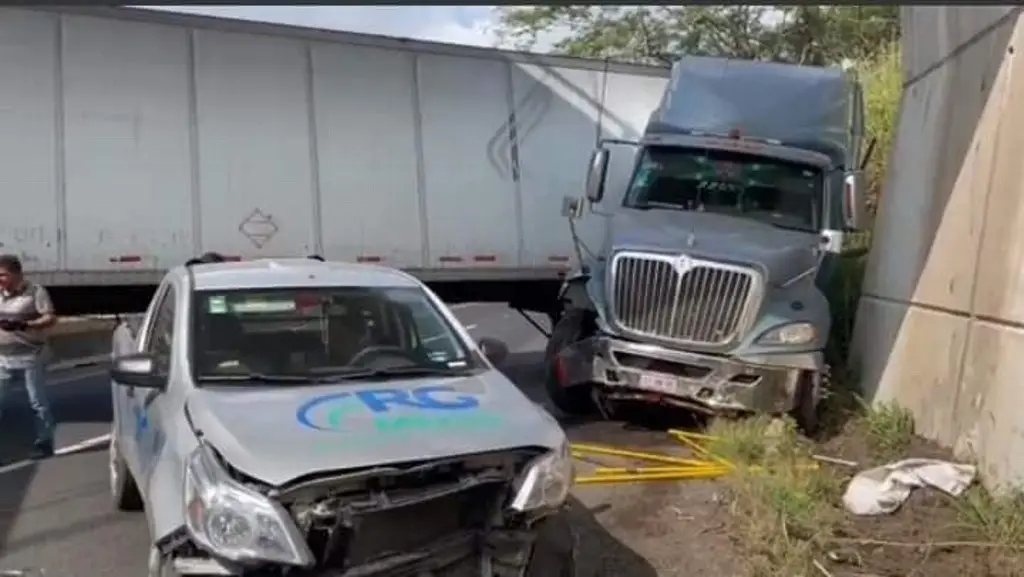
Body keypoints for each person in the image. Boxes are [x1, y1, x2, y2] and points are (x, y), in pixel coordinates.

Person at [0, 254, 58, 458]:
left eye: (3, 275)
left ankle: (44, 442)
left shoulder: (35, 292)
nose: (0, 280)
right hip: (3, 359)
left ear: (16, 274)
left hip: (31, 356)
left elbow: (50, 318)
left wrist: (25, 325)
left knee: (37, 402)